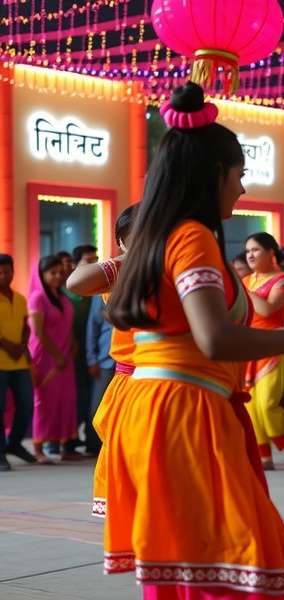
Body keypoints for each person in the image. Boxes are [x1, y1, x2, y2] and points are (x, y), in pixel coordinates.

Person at [101, 82, 284, 598]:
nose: (243, 189)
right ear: (214, 176)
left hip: (163, 407)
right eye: (238, 176)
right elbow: (212, 338)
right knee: (225, 574)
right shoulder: (191, 238)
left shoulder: (157, 237)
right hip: (184, 411)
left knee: (192, 573)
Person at [66, 204, 139, 518]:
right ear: (121, 242)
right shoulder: (119, 274)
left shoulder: (175, 268)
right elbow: (76, 282)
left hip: (169, 378)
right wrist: (128, 257)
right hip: (130, 378)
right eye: (134, 237)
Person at [243, 232, 284, 470]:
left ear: (271, 253)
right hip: (250, 345)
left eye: (255, 250)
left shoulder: (283, 279)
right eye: (248, 250)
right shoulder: (247, 280)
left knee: (268, 403)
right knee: (250, 404)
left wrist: (245, 290)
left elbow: (268, 309)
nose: (250, 254)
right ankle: (264, 457)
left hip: (275, 344)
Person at [27, 255, 81, 463]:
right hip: (45, 357)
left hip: (65, 357)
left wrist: (72, 348)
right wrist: (57, 355)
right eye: (53, 273)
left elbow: (68, 328)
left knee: (65, 401)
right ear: (42, 275)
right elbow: (38, 333)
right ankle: (39, 448)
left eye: (60, 272)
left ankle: (65, 447)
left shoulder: (63, 298)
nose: (58, 276)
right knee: (43, 403)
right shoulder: (37, 298)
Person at [0, 254, 37, 469]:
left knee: (26, 405)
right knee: (0, 409)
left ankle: (14, 444)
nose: (5, 275)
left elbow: (26, 325)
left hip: (19, 362)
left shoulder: (20, 298)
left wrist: (22, 344)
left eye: (8, 271)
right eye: (1, 272)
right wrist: (9, 346)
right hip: (2, 362)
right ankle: (0, 453)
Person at [63, 244, 98, 453]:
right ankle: (68, 441)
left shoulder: (96, 292)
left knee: (89, 397)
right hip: (70, 355)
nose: (95, 265)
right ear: (75, 265)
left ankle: (88, 440)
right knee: (74, 398)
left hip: (90, 354)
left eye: (96, 260)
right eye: (89, 261)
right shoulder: (65, 294)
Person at [84, 293, 114, 455]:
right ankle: (93, 445)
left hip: (130, 359)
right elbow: (93, 327)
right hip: (104, 358)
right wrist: (91, 359)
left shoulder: (135, 283)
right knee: (97, 405)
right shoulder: (101, 293)